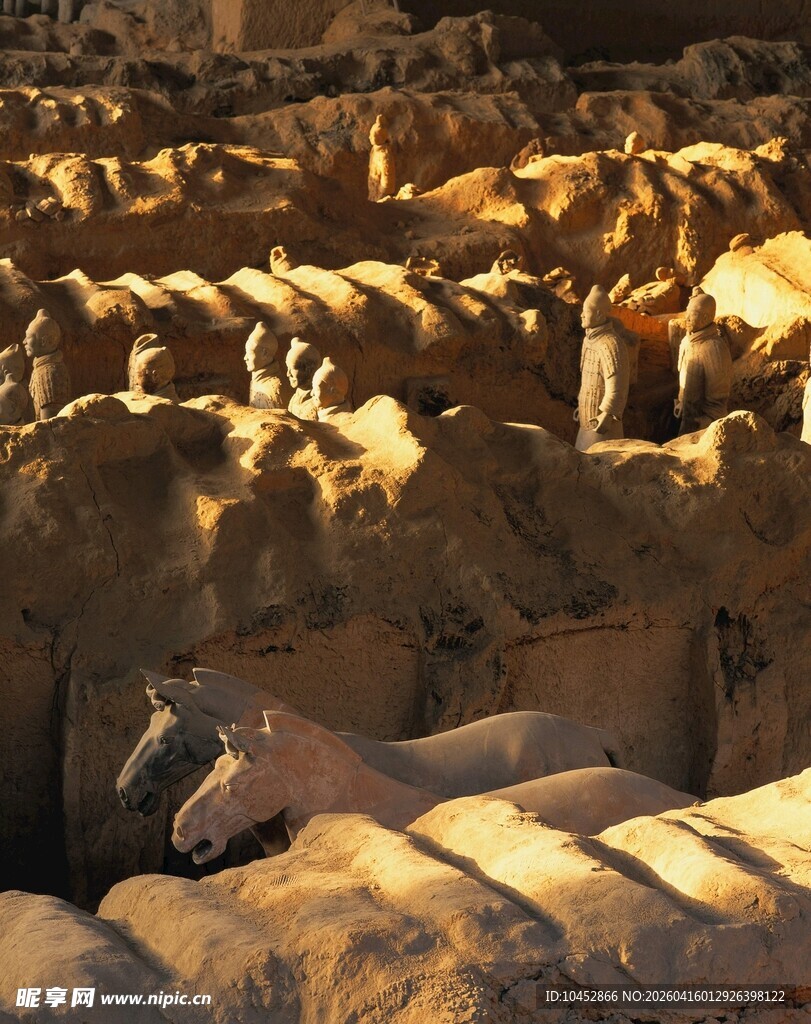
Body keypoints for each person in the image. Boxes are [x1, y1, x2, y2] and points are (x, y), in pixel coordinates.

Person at [574, 286, 630, 451]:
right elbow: (587, 380)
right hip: (587, 419)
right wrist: (581, 405)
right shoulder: (589, 340)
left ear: (599, 314)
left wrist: (607, 414)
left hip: (602, 424)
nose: (582, 315)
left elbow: (617, 386)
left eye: (586, 311)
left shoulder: (611, 344)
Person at [674, 292, 732, 435]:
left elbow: (718, 399)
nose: (686, 318)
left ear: (705, 317)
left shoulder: (714, 348)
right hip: (686, 415)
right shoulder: (687, 341)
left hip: (703, 426)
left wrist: (705, 421)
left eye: (692, 314)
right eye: (686, 312)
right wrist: (682, 402)